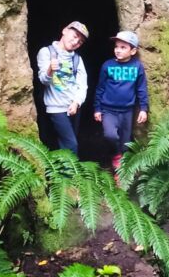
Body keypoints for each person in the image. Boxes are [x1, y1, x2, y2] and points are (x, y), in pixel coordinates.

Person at [93, 30, 149, 173]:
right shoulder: (107, 65)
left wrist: (143, 108)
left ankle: (121, 171)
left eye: (123, 47)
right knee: (110, 135)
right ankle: (116, 156)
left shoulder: (137, 67)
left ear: (133, 51)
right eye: (117, 46)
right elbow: (100, 88)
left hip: (127, 111)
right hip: (108, 109)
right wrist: (97, 108)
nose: (118, 50)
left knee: (125, 142)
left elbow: (141, 88)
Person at [36, 21, 89, 156]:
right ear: (65, 30)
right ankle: (70, 176)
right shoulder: (46, 52)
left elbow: (82, 85)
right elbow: (43, 80)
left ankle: (60, 175)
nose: (76, 41)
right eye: (75, 35)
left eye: (80, 41)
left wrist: (76, 102)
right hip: (56, 107)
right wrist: (50, 70)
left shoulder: (77, 59)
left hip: (74, 108)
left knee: (65, 144)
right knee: (71, 144)